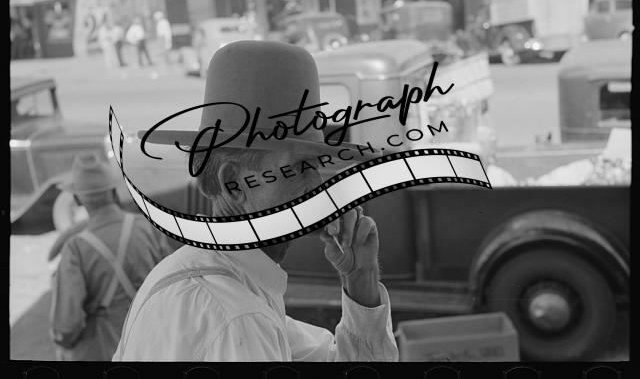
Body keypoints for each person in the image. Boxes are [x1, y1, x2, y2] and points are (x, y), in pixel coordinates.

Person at [113, 41, 399, 361]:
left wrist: (360, 277)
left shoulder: (222, 282)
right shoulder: (236, 316)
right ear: (234, 184)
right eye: (298, 169)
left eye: (316, 167)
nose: (318, 186)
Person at [49, 152, 174, 361]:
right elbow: (171, 285)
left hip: (106, 349)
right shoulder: (147, 228)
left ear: (77, 199)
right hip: (152, 342)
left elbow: (67, 323)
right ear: (114, 192)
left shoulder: (76, 247)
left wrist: (63, 342)